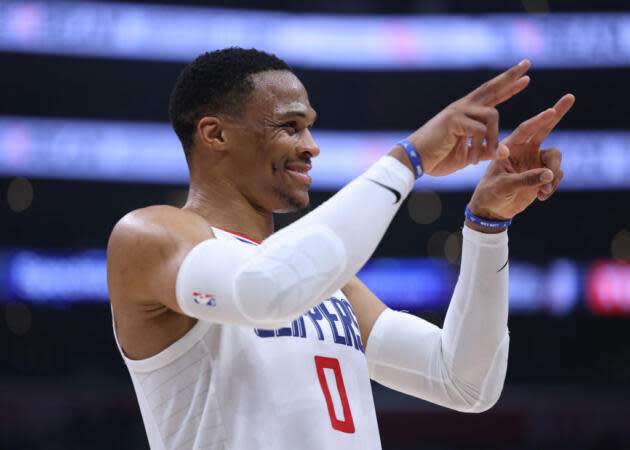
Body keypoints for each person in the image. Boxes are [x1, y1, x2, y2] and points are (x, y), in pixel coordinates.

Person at [107, 47, 574, 449]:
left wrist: (487, 227)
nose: (310, 146)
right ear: (216, 134)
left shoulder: (326, 282)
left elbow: (464, 381)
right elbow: (263, 292)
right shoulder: (149, 237)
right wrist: (410, 158)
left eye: (308, 127)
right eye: (289, 126)